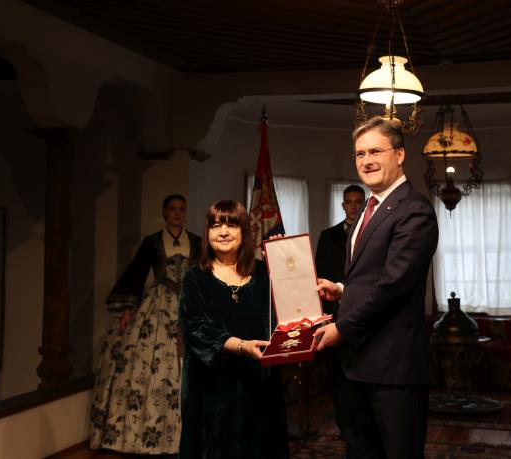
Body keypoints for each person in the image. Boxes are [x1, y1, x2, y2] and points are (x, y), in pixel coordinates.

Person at [314, 116, 439, 459]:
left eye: (375, 151)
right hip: (355, 365)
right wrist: (342, 289)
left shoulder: (415, 210)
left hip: (393, 368)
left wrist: (342, 328)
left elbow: (394, 285)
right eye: (360, 154)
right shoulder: (368, 208)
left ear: (399, 155)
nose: (366, 160)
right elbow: (370, 276)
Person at [89, 194, 201, 454]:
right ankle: (146, 432)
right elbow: (137, 271)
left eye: (181, 209)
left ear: (185, 213)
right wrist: (128, 308)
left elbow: (205, 272)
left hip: (189, 302)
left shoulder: (197, 242)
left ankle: (187, 433)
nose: (177, 213)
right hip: (159, 302)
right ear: (164, 212)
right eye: (172, 209)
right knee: (150, 362)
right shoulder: (152, 242)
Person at [178, 200, 289, 459]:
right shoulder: (195, 277)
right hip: (212, 390)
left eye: (232, 225)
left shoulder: (264, 272)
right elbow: (196, 329)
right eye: (216, 226)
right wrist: (241, 346)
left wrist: (284, 260)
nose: (223, 232)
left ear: (245, 232)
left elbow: (286, 313)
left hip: (259, 385)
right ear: (207, 233)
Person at [314, 184, 365, 436]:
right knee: (338, 374)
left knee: (362, 372)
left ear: (364, 204)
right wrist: (323, 318)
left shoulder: (372, 233)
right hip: (334, 316)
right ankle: (344, 425)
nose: (353, 207)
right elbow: (318, 277)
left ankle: (363, 427)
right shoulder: (327, 236)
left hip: (364, 313)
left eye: (358, 202)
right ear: (343, 205)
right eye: (349, 202)